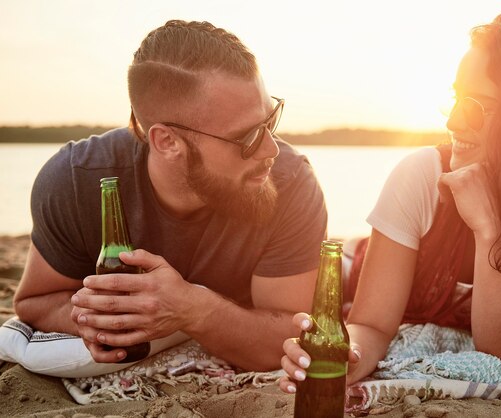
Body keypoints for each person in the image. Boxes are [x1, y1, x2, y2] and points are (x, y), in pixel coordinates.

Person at [280, 7, 501, 397]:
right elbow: (372, 324)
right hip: (357, 275)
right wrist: (351, 354)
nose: (455, 123)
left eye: (477, 106)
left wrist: (487, 228)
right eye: (456, 99)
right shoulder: (422, 176)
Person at [13, 20, 327, 371]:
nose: (270, 149)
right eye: (248, 136)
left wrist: (194, 308)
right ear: (167, 142)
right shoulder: (76, 181)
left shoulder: (290, 180)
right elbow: (35, 302)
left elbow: (293, 337)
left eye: (270, 120)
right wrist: (100, 319)